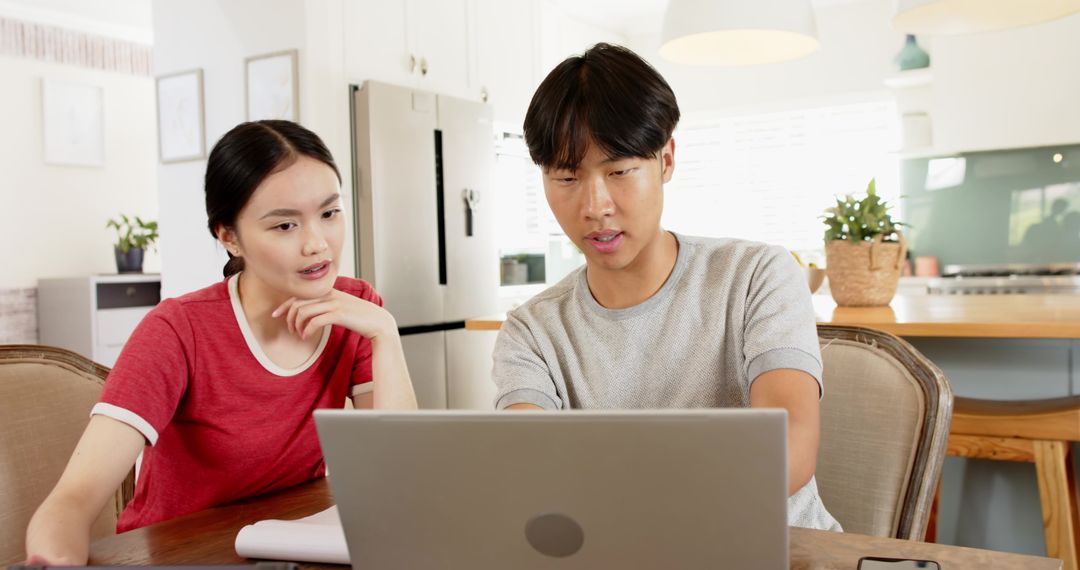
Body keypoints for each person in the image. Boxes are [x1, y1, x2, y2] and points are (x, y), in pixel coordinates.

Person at [26, 120, 418, 563]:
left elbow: (397, 480)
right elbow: (71, 501)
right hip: (176, 555)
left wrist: (385, 333)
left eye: (329, 213)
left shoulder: (359, 310)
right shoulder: (178, 329)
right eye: (285, 225)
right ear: (229, 237)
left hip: (286, 548)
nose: (317, 244)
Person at [491, 43, 841, 531]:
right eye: (567, 177)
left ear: (666, 159)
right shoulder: (531, 332)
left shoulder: (756, 275)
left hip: (781, 550)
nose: (595, 206)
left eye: (619, 172)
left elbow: (790, 444)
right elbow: (529, 468)